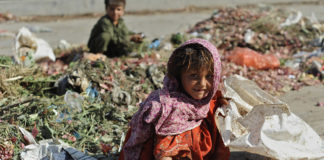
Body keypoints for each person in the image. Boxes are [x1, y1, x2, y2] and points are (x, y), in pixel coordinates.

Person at [119, 38, 230, 160]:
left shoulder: (211, 101)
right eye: (194, 76)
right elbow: (164, 155)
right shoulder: (170, 106)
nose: (202, 84)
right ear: (179, 76)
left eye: (209, 76)